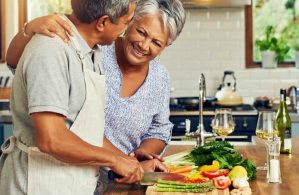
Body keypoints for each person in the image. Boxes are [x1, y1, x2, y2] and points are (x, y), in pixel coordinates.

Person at [7, 0, 186, 162]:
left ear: (165, 46)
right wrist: (28, 29)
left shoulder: (159, 77)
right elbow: (17, 63)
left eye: (156, 42)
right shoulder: (93, 47)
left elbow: (158, 129)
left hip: (112, 176)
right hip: (64, 169)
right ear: (129, 21)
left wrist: (133, 161)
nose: (144, 45)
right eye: (141, 32)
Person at [0, 0, 148, 195]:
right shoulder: (51, 50)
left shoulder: (90, 51)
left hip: (66, 183)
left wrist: (130, 162)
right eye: (127, 21)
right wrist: (114, 160)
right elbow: (51, 139)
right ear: (102, 22)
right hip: (36, 185)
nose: (126, 29)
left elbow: (84, 131)